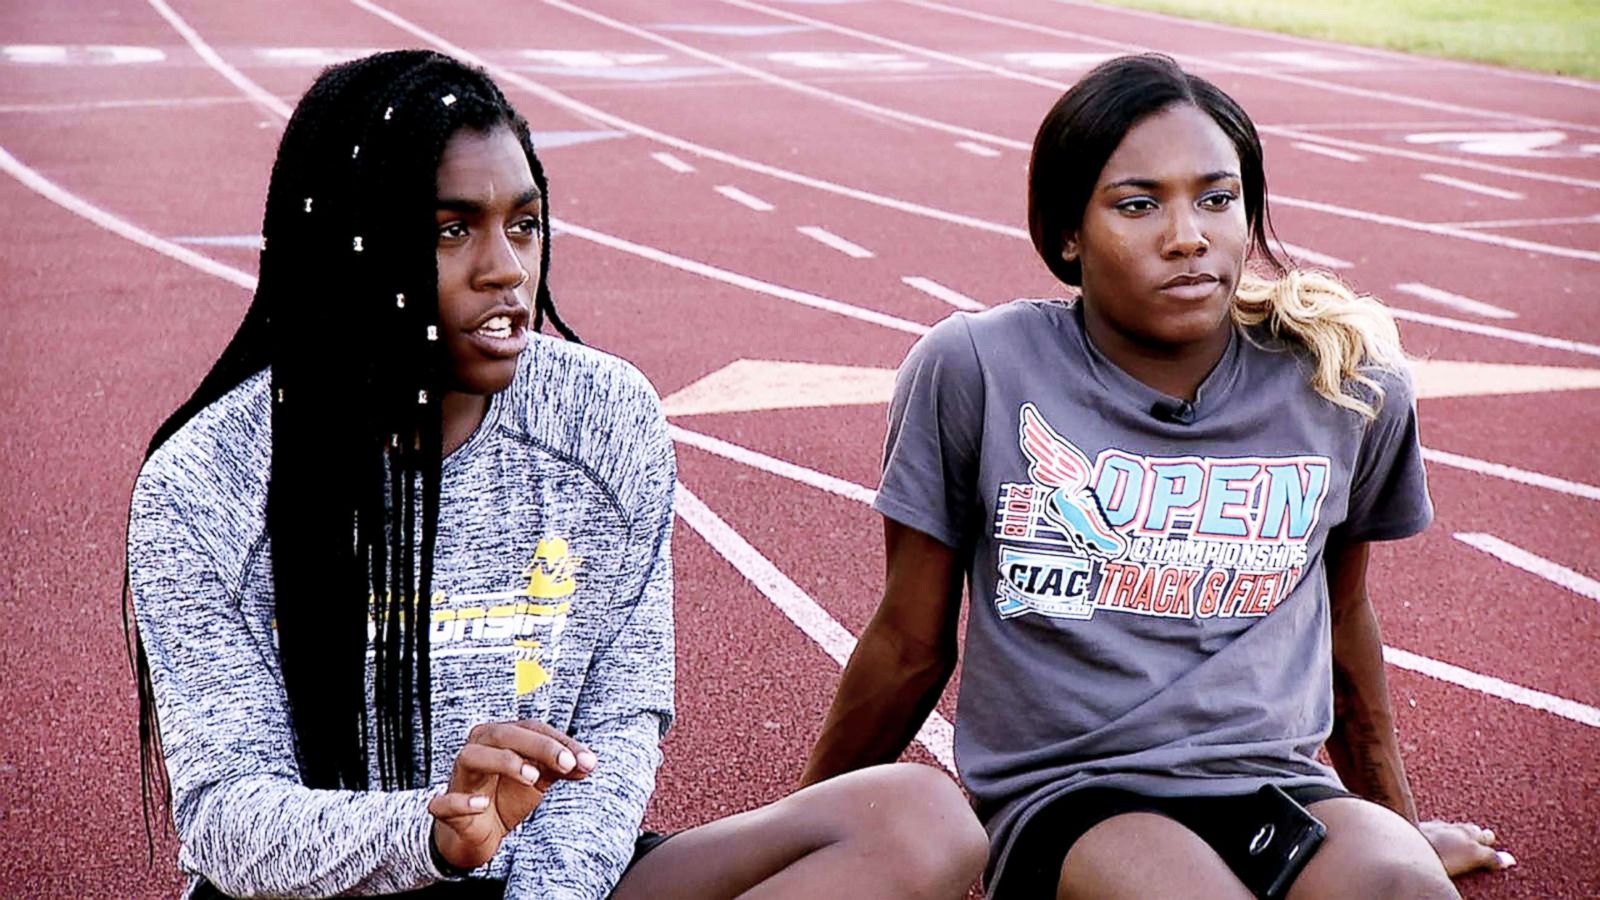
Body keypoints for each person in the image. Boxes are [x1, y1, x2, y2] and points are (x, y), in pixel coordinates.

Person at [126, 50, 988, 899]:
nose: (505, 269)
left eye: (525, 223)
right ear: (348, 245)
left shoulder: (603, 416)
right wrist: (435, 831)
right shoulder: (207, 483)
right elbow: (225, 820)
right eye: (450, 229)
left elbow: (619, 724)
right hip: (335, 883)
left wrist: (544, 892)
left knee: (915, 820)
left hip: (554, 876)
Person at [799, 54, 1510, 899]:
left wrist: (1397, 821)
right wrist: (801, 835)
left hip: (1273, 787)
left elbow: (1344, 618)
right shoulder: (978, 369)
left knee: (1404, 889)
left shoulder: (1342, 382)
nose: (1187, 236)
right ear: (1068, 232)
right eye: (1139, 205)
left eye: (1217, 199)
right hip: (1074, 798)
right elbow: (910, 644)